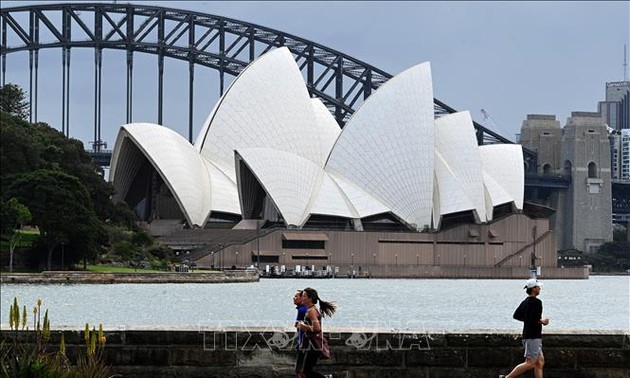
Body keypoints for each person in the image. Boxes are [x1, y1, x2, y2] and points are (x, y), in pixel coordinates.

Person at [500, 278, 550, 378]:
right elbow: (535, 318)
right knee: (530, 363)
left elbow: (516, 315)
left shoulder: (525, 302)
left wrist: (528, 320)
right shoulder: (537, 302)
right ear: (533, 289)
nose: (540, 288)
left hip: (529, 335)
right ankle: (507, 377)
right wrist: (543, 321)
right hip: (533, 336)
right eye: (538, 287)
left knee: (539, 362)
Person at [295, 287, 337, 378]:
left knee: (305, 372)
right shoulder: (312, 309)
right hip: (311, 345)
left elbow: (317, 328)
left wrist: (302, 326)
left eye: (304, 296)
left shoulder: (311, 311)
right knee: (304, 372)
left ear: (310, 299)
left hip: (313, 345)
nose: (302, 297)